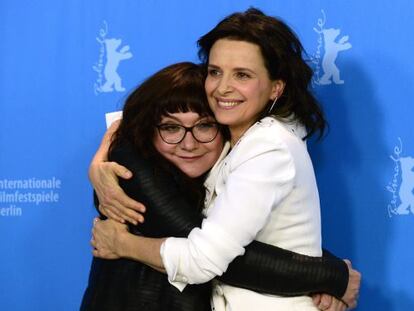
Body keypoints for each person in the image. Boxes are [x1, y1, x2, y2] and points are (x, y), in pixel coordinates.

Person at [83, 62, 355, 311]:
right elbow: (212, 255)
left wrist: (320, 273)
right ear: (148, 130)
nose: (188, 144)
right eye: (170, 128)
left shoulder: (230, 169)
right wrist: (332, 276)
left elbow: (232, 241)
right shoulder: (132, 169)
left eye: (204, 126)